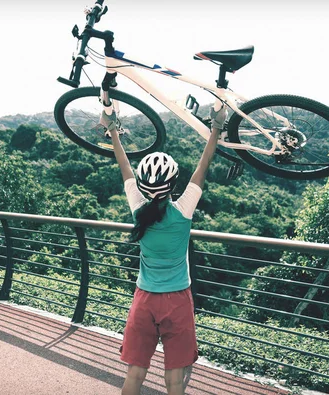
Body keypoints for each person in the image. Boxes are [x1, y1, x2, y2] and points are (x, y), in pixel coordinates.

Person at [100, 104, 227, 395]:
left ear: (144, 188)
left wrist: (112, 130)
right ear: (172, 185)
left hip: (144, 299)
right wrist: (217, 128)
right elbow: (202, 167)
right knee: (173, 380)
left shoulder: (137, 210)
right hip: (177, 301)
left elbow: (125, 168)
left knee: (135, 375)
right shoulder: (183, 211)